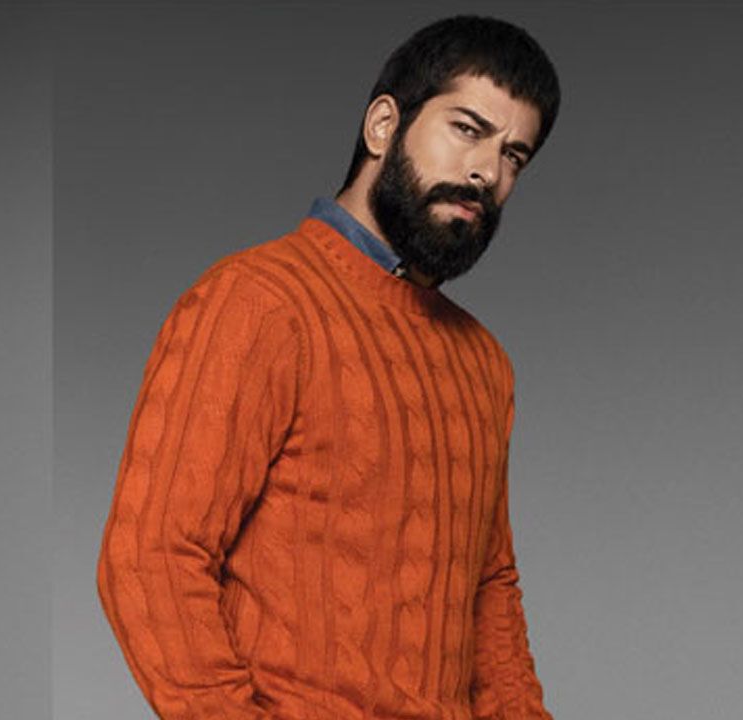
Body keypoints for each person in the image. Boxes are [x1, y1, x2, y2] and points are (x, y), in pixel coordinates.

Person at [97, 15, 561, 720]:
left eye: (514, 156)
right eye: (467, 129)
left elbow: (488, 592)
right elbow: (150, 556)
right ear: (383, 126)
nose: (487, 173)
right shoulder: (257, 302)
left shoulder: (484, 363)